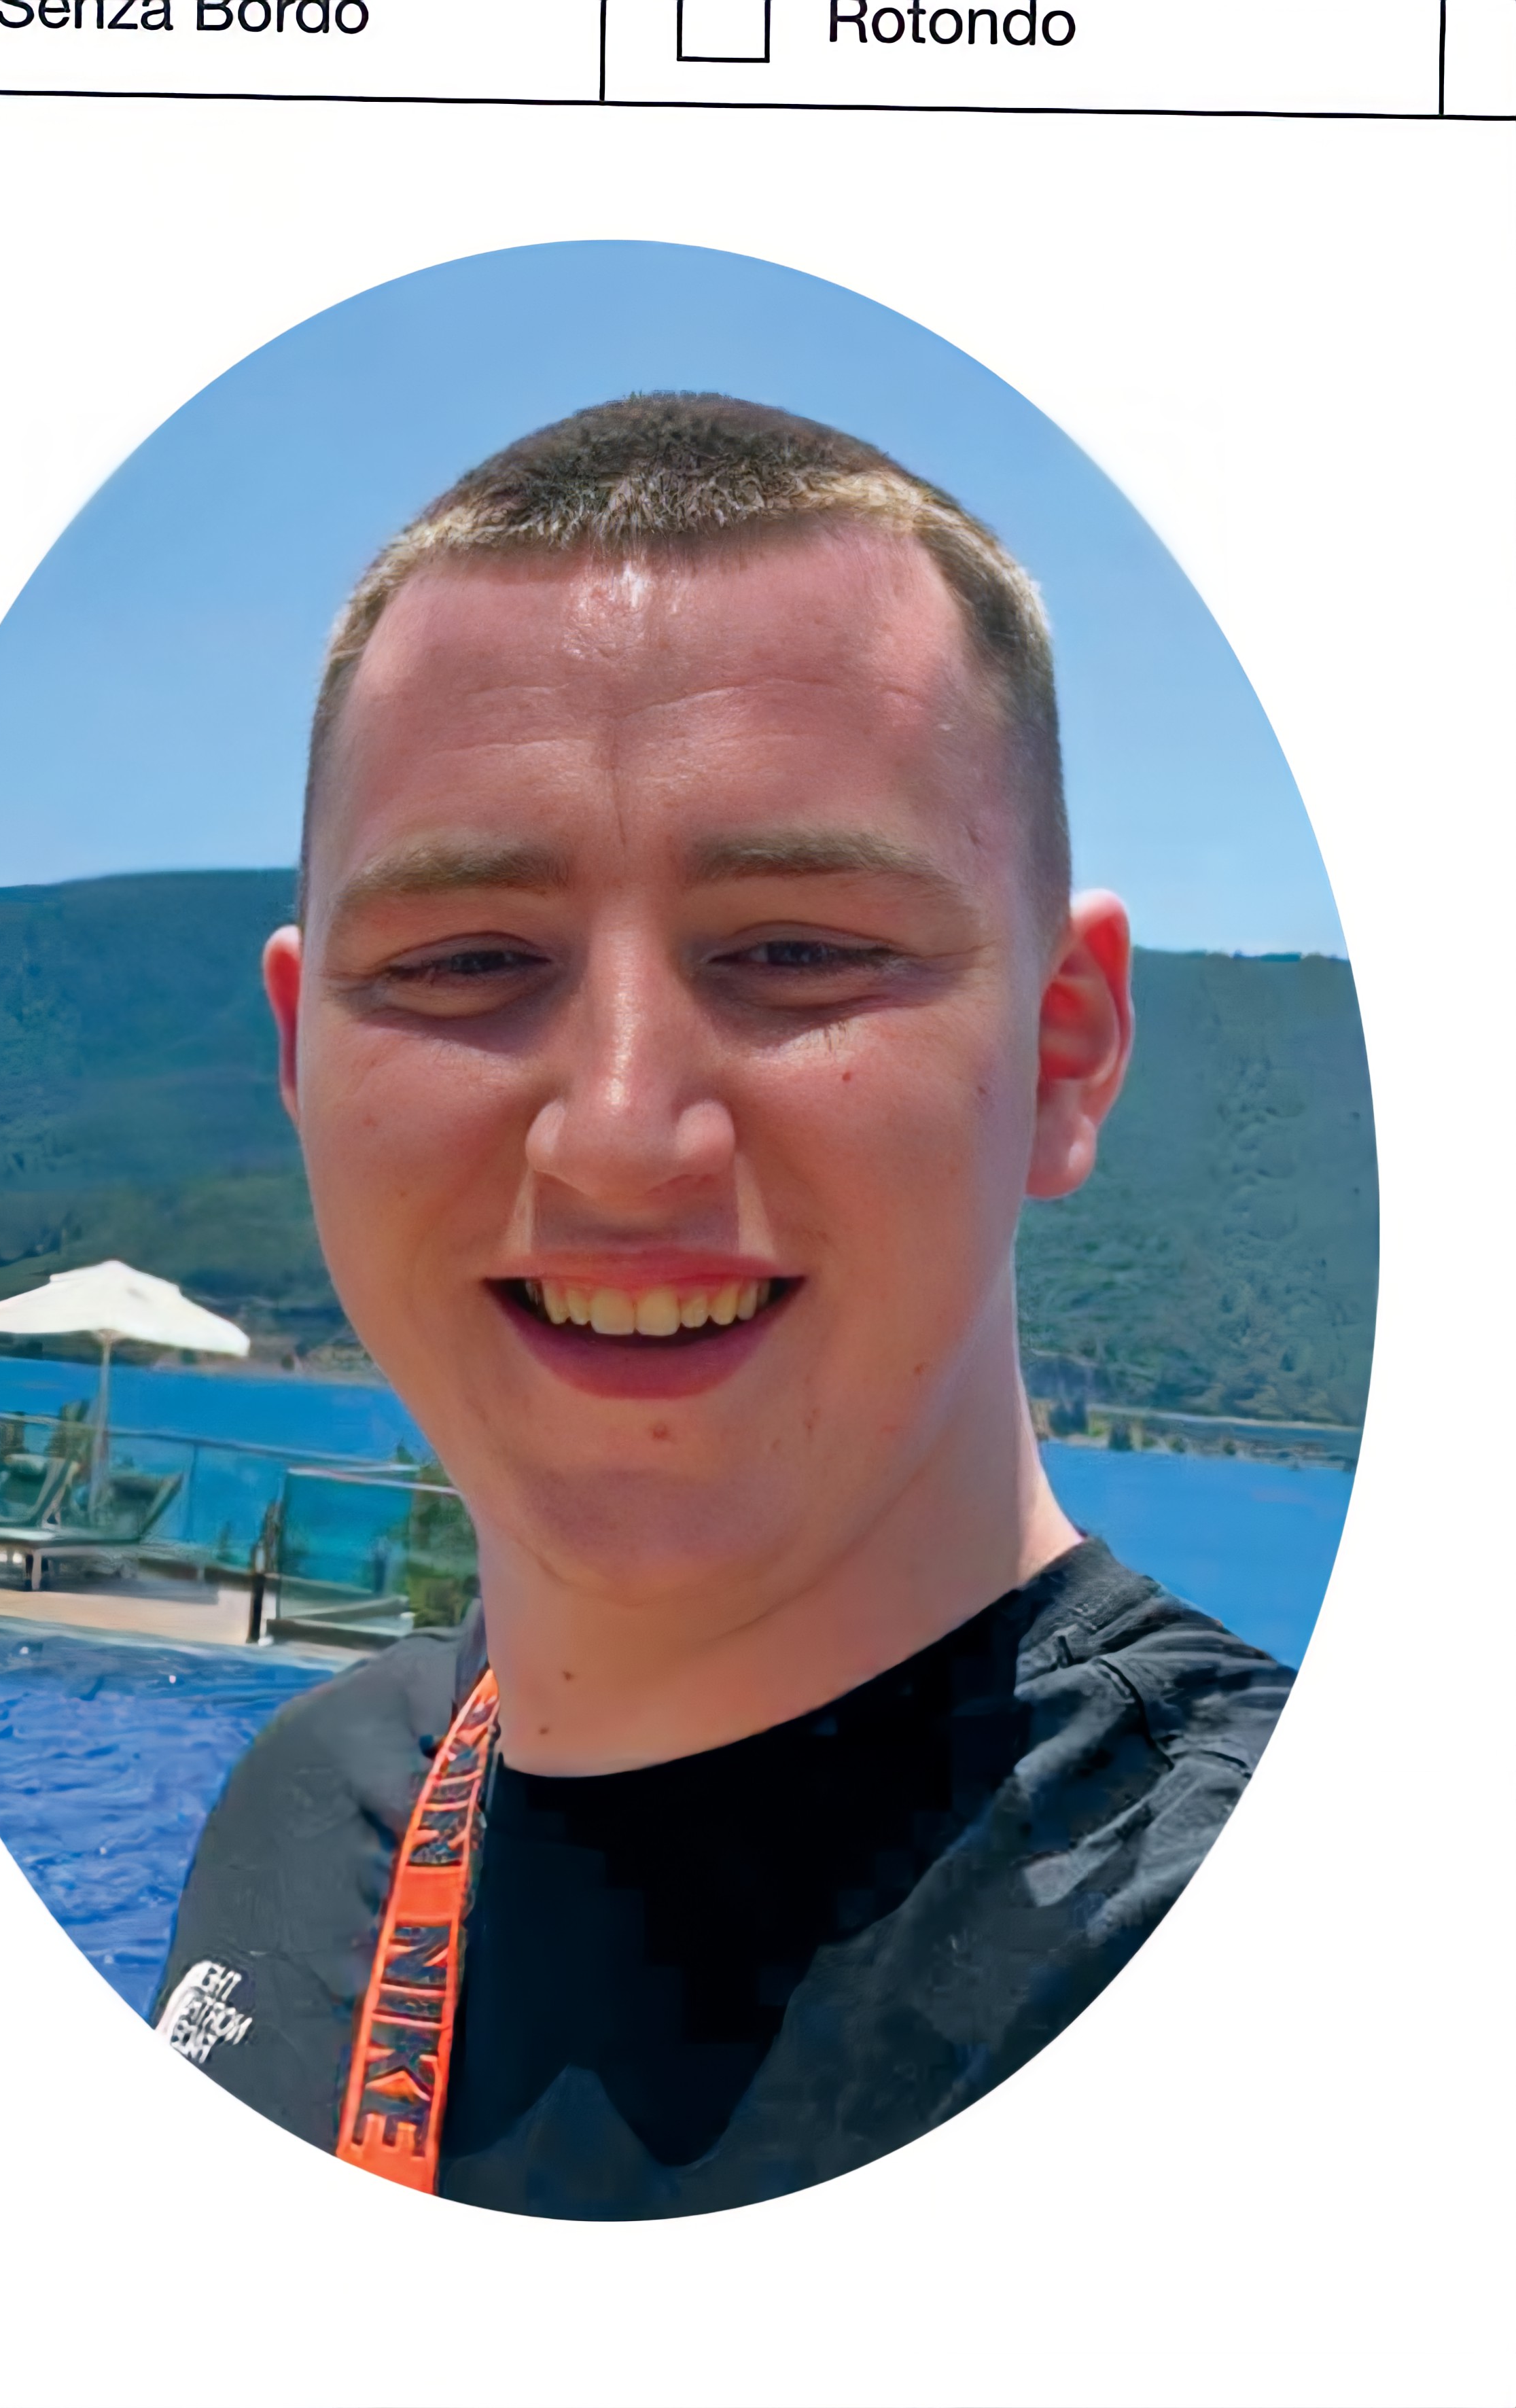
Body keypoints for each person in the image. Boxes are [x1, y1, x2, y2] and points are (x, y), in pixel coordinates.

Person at [152, 394, 1291, 2218]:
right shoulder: (309, 1813)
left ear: (1064, 1053)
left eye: (798, 951)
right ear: (302, 1058)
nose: (619, 1136)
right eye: (465, 962)